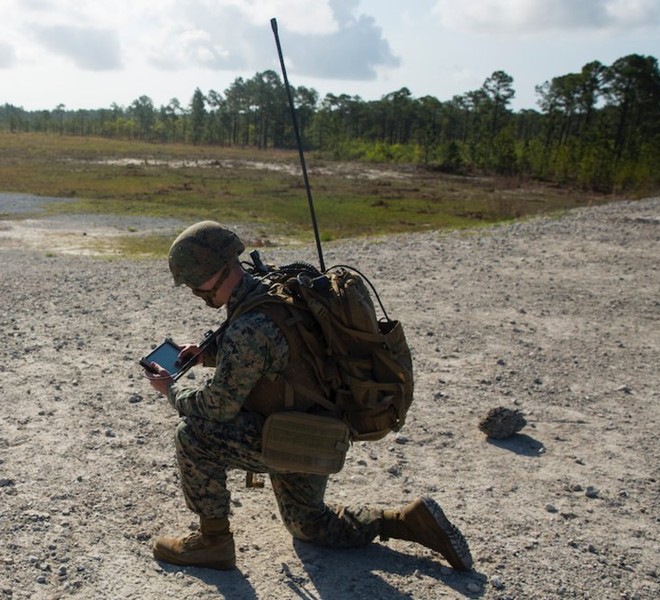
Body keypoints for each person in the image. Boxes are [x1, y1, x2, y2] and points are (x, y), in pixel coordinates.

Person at [144, 220, 473, 572]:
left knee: (193, 434)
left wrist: (172, 388)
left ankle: (213, 543)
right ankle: (404, 519)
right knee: (310, 525)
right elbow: (280, 354)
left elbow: (218, 406)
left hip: (290, 436)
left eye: (196, 284)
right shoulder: (273, 287)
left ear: (217, 271)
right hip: (318, 430)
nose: (196, 292)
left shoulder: (248, 328)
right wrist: (207, 354)